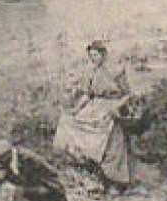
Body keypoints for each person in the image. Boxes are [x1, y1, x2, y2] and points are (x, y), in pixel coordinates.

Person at [53, 40, 135, 191]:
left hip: (112, 107)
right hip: (94, 108)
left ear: (103, 55)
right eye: (91, 56)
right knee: (72, 124)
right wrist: (75, 110)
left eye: (96, 55)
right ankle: (91, 172)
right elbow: (87, 95)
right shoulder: (91, 73)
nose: (93, 59)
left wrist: (115, 107)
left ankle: (117, 181)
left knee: (112, 144)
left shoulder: (115, 71)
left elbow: (128, 95)